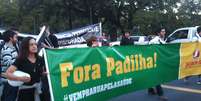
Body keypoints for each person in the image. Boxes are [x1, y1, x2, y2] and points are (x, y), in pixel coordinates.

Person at [6, 37, 44, 101]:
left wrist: (45, 74)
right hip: (25, 93)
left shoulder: (40, 59)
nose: (34, 46)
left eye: (35, 44)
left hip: (39, 90)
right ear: (25, 47)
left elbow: (41, 72)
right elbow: (8, 73)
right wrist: (20, 78)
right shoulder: (21, 59)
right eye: (31, 45)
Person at [148, 27, 168, 101]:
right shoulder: (154, 41)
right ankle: (161, 94)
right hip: (154, 62)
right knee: (157, 78)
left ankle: (150, 89)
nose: (164, 33)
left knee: (153, 76)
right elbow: (148, 49)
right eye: (162, 31)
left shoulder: (162, 40)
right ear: (159, 33)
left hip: (160, 61)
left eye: (164, 31)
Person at [1, 30, 19, 101]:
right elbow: (8, 63)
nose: (17, 39)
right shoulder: (6, 50)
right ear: (11, 38)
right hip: (8, 80)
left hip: (12, 78)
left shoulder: (13, 48)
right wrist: (19, 61)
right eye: (15, 37)